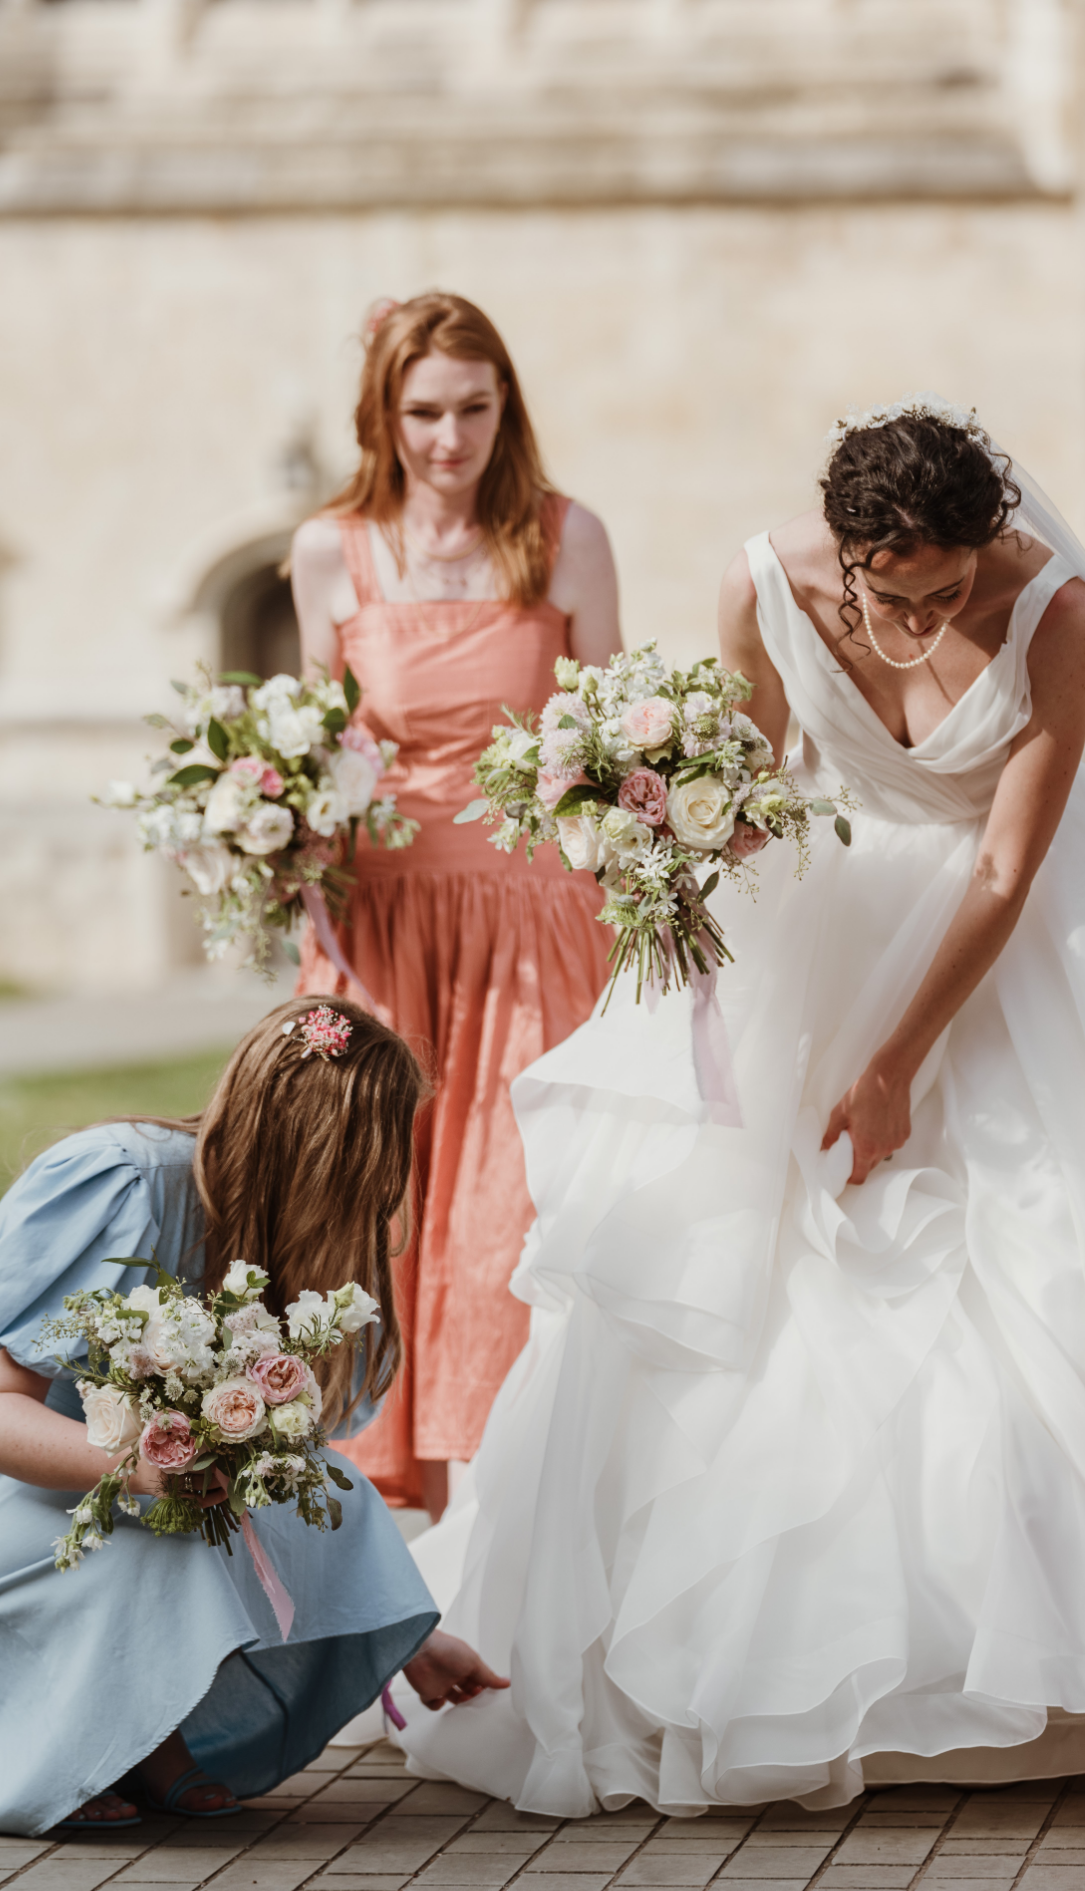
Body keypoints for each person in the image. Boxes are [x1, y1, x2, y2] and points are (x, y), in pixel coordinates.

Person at [380, 396, 1085, 1819]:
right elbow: (750, 790)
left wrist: (893, 1065)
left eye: (949, 595)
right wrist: (660, 833)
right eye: (893, 598)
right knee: (750, 1282)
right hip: (827, 919)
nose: (923, 627)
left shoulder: (1056, 612)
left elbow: (1002, 868)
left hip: (1024, 940)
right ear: (846, 557)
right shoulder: (759, 586)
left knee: (1073, 1269)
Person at [0, 998, 507, 1837]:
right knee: (158, 1548)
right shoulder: (120, 1183)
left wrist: (412, 1641)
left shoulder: (275, 1238)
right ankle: (80, 1751)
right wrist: (149, 1468)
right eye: (375, 1160)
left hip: (102, 1463)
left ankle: (140, 1732)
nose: (389, 1185)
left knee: (328, 1492)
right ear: (315, 1151)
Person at [289, 293, 624, 1516]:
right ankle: (368, 1490)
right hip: (379, 926)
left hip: (531, 922)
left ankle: (507, 1498)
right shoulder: (331, 549)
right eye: (423, 411)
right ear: (383, 416)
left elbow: (605, 738)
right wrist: (270, 835)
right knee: (371, 1201)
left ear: (505, 406)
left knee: (510, 1201)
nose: (449, 437)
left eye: (473, 408)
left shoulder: (564, 536)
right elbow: (313, 748)